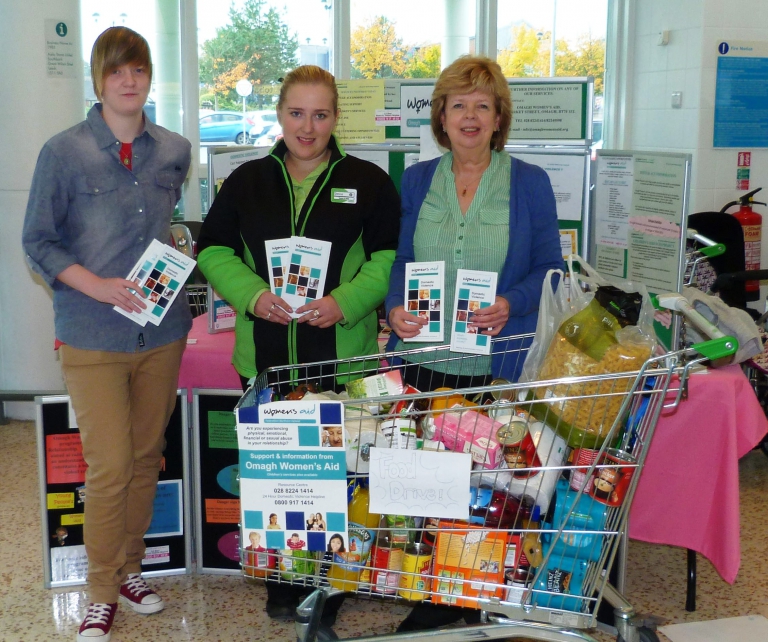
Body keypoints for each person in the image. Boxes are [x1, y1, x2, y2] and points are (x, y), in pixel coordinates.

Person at [197, 64, 400, 626]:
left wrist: (346, 301)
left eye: (320, 114)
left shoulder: (369, 181)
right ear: (280, 114)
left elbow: (387, 257)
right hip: (265, 358)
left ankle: (330, 579)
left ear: (336, 118)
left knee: (336, 470)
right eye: (296, 113)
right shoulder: (247, 180)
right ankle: (284, 578)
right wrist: (253, 295)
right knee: (276, 469)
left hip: (339, 354)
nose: (307, 127)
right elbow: (213, 250)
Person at [22, 26, 192, 642]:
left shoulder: (174, 148)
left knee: (147, 458)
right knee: (110, 466)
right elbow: (37, 241)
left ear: (149, 77)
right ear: (98, 79)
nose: (129, 80)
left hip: (161, 332)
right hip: (92, 334)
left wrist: (177, 247)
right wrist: (94, 284)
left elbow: (169, 227)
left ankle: (128, 568)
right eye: (117, 70)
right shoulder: (62, 152)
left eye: (138, 69)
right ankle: (99, 592)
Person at [384, 56, 563, 632]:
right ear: (440, 115)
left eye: (482, 105)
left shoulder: (529, 183)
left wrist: (512, 301)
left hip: (496, 359)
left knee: (489, 483)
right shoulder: (415, 181)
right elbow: (401, 260)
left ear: (498, 117)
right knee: (426, 476)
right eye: (458, 104)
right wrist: (393, 308)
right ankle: (427, 590)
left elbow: (550, 269)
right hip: (427, 357)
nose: (469, 115)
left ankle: (474, 589)